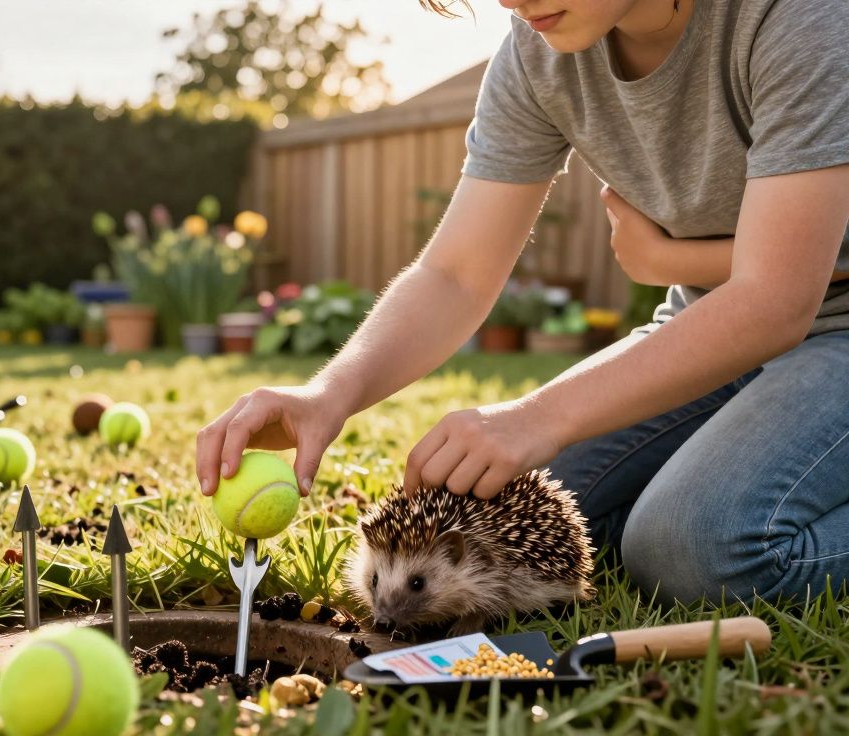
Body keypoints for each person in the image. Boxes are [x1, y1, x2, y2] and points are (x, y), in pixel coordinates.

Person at [196, 0, 849, 605]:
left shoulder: (797, 21)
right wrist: (329, 393)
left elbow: (773, 299)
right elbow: (455, 273)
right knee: (531, 526)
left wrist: (540, 415)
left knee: (693, 550)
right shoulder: (540, 53)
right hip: (703, 321)